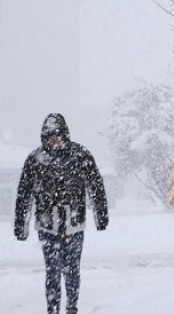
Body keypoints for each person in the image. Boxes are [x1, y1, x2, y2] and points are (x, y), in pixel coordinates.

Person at [14, 113, 109, 314]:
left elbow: (96, 186)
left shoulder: (80, 155)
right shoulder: (35, 159)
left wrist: (101, 216)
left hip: (74, 223)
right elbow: (24, 194)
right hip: (47, 225)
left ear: (65, 135)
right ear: (44, 137)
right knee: (53, 271)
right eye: (50, 136)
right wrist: (21, 226)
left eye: (57, 135)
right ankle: (53, 308)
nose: (54, 140)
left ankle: (72, 307)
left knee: (73, 270)